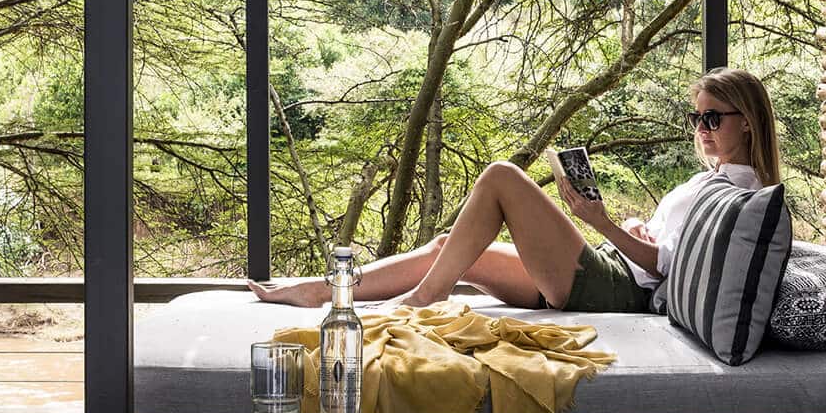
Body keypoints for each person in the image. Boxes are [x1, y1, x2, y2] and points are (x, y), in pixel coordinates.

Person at [248, 67, 784, 312]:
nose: (701, 129)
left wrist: (601, 222)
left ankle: (425, 298)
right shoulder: (715, 182)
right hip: (612, 269)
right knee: (449, 251)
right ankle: (328, 290)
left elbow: (666, 268)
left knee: (502, 177)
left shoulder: (742, 192)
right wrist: (638, 228)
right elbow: (669, 249)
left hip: (614, 289)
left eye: (713, 118)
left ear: (749, 124)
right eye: (697, 118)